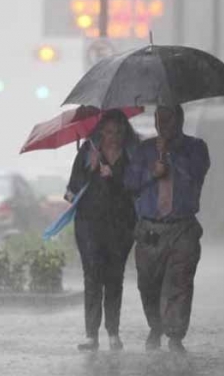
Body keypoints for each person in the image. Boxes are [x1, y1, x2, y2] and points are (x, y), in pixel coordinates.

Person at [124, 105, 210, 354]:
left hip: (182, 227)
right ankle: (156, 326)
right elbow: (131, 182)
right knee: (148, 283)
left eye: (169, 119)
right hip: (150, 228)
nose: (164, 125)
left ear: (180, 120)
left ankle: (174, 335)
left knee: (179, 283)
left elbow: (196, 174)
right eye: (159, 119)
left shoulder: (196, 148)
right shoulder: (144, 150)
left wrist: (170, 156)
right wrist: (154, 172)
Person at [65, 109, 139, 351]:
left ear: (125, 132)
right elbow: (71, 190)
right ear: (100, 131)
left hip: (121, 226)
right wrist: (90, 169)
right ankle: (91, 335)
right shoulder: (88, 152)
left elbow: (138, 187)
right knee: (93, 277)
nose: (113, 137)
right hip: (89, 225)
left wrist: (114, 175)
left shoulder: (132, 155)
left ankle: (113, 333)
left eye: (118, 132)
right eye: (108, 132)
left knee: (114, 278)